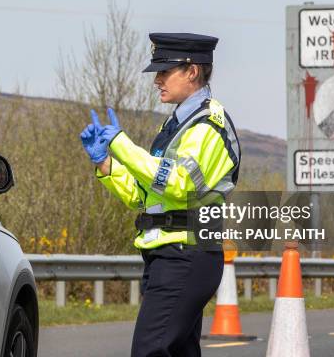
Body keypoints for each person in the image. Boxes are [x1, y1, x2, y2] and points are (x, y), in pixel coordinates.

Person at [79, 33, 241, 357]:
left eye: (165, 71)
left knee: (150, 350)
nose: (157, 80)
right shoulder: (177, 126)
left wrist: (123, 145)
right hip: (167, 254)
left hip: (186, 254)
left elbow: (178, 183)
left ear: (192, 71)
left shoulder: (208, 126)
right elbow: (144, 197)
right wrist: (106, 163)